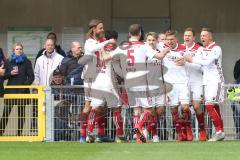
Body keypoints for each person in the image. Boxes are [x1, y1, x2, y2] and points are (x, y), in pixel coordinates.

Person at [102, 24, 170, 143]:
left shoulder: (123, 46)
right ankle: (139, 127)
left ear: (129, 33)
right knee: (148, 110)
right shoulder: (143, 46)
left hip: (128, 82)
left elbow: (106, 58)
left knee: (136, 110)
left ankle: (138, 136)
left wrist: (101, 47)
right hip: (141, 81)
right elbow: (159, 56)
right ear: (139, 33)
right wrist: (165, 50)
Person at [184, 28, 225, 141]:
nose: (202, 38)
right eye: (201, 36)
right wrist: (187, 60)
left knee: (209, 105)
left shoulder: (216, 48)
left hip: (216, 80)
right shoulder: (201, 49)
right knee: (215, 106)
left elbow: (206, 62)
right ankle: (221, 132)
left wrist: (191, 59)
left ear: (210, 37)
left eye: (205, 36)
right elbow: (197, 62)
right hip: (206, 81)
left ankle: (219, 132)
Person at [79, 19, 116, 143]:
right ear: (94, 29)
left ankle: (100, 134)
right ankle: (84, 135)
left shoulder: (98, 42)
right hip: (90, 78)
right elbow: (95, 48)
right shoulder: (89, 42)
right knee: (89, 105)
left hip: (99, 77)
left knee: (101, 106)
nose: (102, 30)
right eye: (100, 28)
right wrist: (107, 42)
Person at [163, 30, 193, 141]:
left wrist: (185, 62)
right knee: (174, 108)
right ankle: (180, 132)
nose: (170, 41)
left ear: (176, 39)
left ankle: (188, 128)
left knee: (185, 107)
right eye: (168, 39)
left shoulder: (184, 48)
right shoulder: (162, 50)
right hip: (170, 84)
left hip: (183, 82)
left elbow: (192, 61)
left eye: (172, 39)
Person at [0, 43, 34, 136]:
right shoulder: (8, 62)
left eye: (20, 49)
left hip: (23, 91)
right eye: (17, 49)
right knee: (6, 112)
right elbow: (3, 76)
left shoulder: (27, 62)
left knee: (21, 113)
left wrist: (24, 86)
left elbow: (31, 77)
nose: (19, 50)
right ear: (13, 50)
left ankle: (19, 134)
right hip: (10, 91)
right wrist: (10, 73)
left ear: (22, 50)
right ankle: (0, 132)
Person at [183, 27, 207, 141]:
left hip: (197, 80)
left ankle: (202, 129)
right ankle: (188, 130)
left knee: (197, 106)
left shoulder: (199, 49)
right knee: (185, 107)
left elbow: (202, 65)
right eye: (185, 35)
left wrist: (189, 60)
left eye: (189, 36)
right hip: (184, 81)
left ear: (193, 38)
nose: (186, 37)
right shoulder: (181, 48)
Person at [230, 58, 240, 139]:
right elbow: (230, 97)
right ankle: (238, 131)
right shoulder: (238, 62)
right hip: (237, 85)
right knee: (234, 107)